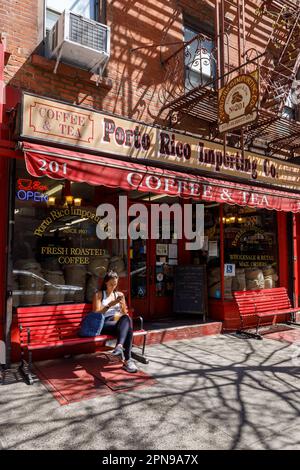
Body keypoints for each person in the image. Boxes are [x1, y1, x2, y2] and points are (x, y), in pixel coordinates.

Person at [92, 270, 138, 373]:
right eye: (111, 284)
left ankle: (119, 347)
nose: (113, 286)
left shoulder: (119, 294)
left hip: (118, 322)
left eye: (115, 284)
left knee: (127, 319)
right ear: (106, 282)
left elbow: (124, 313)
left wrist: (122, 307)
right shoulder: (99, 294)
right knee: (128, 326)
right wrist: (110, 304)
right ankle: (127, 360)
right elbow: (96, 314)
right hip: (104, 322)